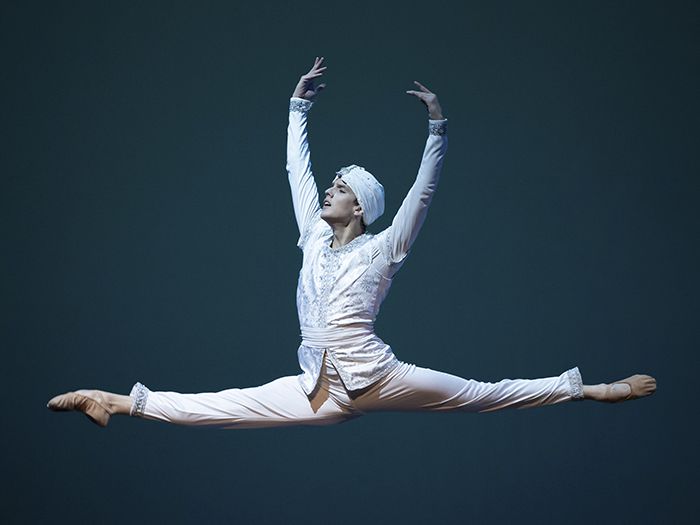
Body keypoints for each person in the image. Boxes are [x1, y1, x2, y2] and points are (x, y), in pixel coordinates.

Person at [47, 57, 656, 429]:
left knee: (480, 395)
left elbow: (422, 194)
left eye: (340, 187)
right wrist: (296, 109)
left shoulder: (384, 246)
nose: (329, 191)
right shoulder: (313, 234)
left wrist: (437, 126)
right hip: (315, 390)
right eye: (332, 185)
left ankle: (592, 389)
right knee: (220, 407)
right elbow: (297, 172)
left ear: (359, 206)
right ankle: (114, 401)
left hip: (377, 376)